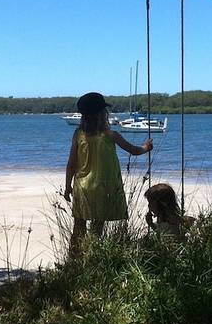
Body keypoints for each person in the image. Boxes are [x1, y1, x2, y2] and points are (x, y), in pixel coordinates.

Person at [64, 92, 152, 256]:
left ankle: (74, 259)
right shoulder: (111, 135)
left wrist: (67, 186)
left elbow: (71, 164)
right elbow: (134, 150)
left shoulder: (78, 134)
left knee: (79, 225)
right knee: (97, 226)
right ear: (102, 114)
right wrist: (146, 148)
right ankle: (92, 257)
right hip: (103, 186)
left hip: (82, 186)